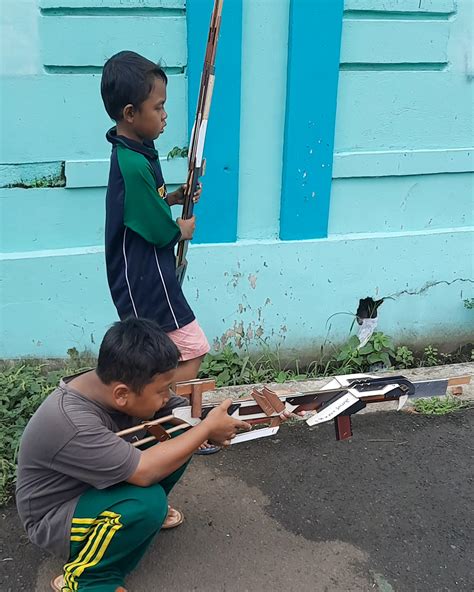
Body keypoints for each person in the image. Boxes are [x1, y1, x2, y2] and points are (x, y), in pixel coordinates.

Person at [16, 318, 250, 592]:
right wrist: (206, 429)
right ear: (122, 395)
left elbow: (178, 414)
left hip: (92, 487)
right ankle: (87, 580)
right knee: (147, 502)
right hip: (56, 518)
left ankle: (132, 523)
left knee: (179, 433)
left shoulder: (114, 382)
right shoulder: (71, 422)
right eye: (162, 391)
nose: (168, 397)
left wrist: (210, 422)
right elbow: (144, 471)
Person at [100, 50, 218, 454]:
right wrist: (178, 229)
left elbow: (144, 204)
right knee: (191, 346)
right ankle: (169, 420)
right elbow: (150, 224)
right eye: (159, 106)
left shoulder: (136, 152)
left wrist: (174, 196)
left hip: (148, 273)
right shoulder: (132, 162)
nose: (165, 114)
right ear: (131, 112)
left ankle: (157, 421)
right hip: (145, 277)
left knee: (156, 356)